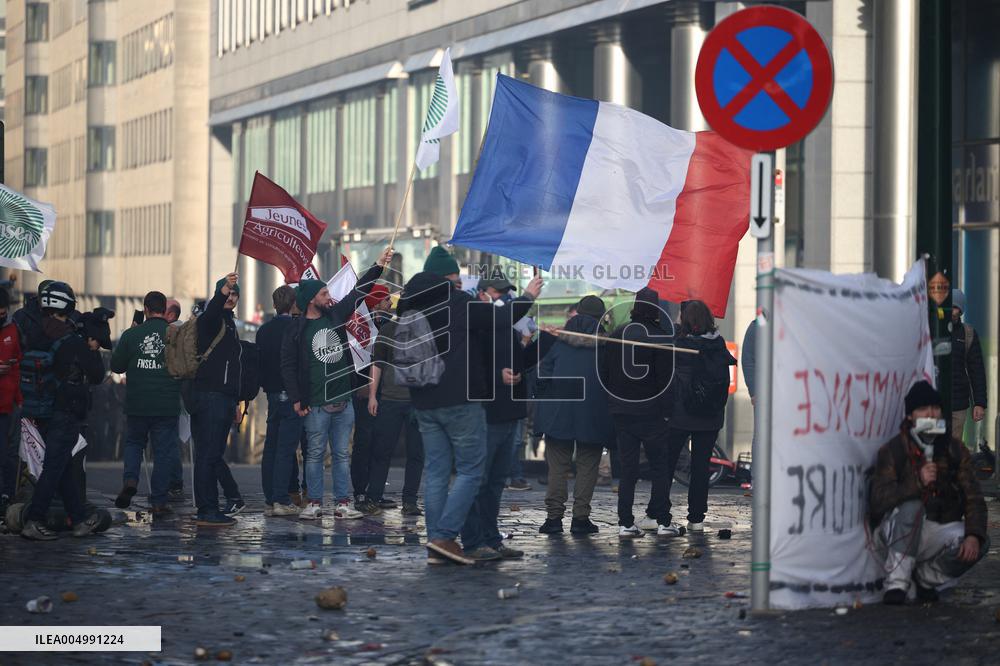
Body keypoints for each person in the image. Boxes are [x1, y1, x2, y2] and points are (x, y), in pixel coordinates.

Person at [398, 247, 540, 564]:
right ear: (447, 277)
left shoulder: (407, 305)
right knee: (471, 471)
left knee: (435, 474)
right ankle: (446, 536)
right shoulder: (457, 302)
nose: (460, 282)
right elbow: (503, 317)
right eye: (455, 277)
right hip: (460, 401)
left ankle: (437, 545)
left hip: (423, 400)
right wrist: (528, 296)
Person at [282, 247, 393, 521]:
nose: (329, 297)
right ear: (310, 300)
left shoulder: (335, 317)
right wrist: (297, 398)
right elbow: (288, 366)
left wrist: (378, 265)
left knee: (342, 455)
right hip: (315, 403)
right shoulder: (296, 331)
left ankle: (343, 502)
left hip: (343, 400)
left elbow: (358, 293)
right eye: (323, 294)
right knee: (315, 455)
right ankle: (314, 502)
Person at [871, 381, 989, 604]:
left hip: (935, 529)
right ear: (910, 416)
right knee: (911, 508)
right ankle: (897, 584)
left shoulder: (954, 449)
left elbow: (974, 497)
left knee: (980, 541)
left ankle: (926, 578)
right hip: (896, 532)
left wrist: (973, 535)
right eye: (923, 409)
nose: (931, 414)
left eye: (935, 408)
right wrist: (917, 482)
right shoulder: (894, 449)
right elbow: (878, 500)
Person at [459, 277, 540, 561]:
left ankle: (491, 538)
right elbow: (469, 366)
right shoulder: (476, 322)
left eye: (507, 294)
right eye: (498, 293)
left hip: (510, 412)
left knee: (495, 482)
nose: (503, 298)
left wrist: (548, 341)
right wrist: (498, 376)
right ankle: (473, 540)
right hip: (486, 413)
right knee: (478, 481)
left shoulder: (508, 327)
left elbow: (523, 362)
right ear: (482, 294)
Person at [21, 282, 106, 540]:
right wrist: (92, 348)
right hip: (65, 411)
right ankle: (34, 520)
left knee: (64, 465)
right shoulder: (71, 339)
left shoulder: (34, 332)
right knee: (54, 468)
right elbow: (97, 374)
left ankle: (79, 519)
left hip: (40, 409)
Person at [600, 287, 678, 538]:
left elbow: (604, 373)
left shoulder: (617, 334)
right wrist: (667, 412)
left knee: (628, 469)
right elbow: (666, 381)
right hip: (652, 412)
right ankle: (663, 521)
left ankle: (625, 523)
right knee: (659, 468)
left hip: (622, 411)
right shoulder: (661, 338)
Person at [534, 295, 613, 536]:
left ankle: (553, 518)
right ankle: (580, 518)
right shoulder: (607, 346)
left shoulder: (557, 342)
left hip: (559, 412)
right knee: (588, 465)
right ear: (601, 318)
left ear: (577, 313)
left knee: (557, 467)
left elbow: (541, 376)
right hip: (593, 413)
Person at [665, 300, 736, 533]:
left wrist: (677, 325)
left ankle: (660, 512)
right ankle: (696, 518)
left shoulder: (681, 343)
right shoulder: (718, 344)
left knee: (667, 463)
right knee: (700, 466)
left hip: (682, 415)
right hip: (710, 415)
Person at [110, 291, 181, 515]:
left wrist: (131, 334)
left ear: (146, 309)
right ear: (165, 310)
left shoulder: (132, 334)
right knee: (163, 453)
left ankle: (131, 479)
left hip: (138, 403)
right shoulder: (175, 335)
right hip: (166, 403)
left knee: (134, 443)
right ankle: (159, 500)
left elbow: (117, 366)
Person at [190, 273, 245, 526]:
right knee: (208, 455)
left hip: (223, 397)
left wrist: (235, 400)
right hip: (210, 395)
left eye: (235, 294)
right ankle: (207, 509)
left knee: (211, 454)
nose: (231, 298)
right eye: (227, 293)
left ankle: (209, 507)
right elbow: (211, 312)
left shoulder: (231, 324)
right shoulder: (210, 320)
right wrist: (222, 291)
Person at [367, 288, 425, 517]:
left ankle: (394, 499)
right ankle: (396, 499)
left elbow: (378, 366)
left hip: (403, 401)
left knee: (393, 452)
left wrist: (373, 396)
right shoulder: (391, 331)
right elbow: (377, 365)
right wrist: (373, 396)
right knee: (404, 453)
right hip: (398, 400)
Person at [256, 285, 303, 517]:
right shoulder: (296, 328)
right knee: (286, 449)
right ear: (294, 304)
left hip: (272, 393)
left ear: (274, 305)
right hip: (292, 394)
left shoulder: (263, 331)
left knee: (271, 447)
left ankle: (269, 498)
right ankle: (281, 499)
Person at [950, 289, 986, 442]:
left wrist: (979, 403)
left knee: (954, 448)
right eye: (949, 306)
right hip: (933, 403)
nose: (952, 310)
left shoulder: (968, 334)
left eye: (956, 307)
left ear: (961, 311)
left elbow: (976, 370)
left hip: (958, 404)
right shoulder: (932, 330)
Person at [0, 288, 23, 511]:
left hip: (9, 403)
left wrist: (19, 398)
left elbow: (17, 362)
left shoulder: (12, 330)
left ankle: (7, 493)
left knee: (8, 453)